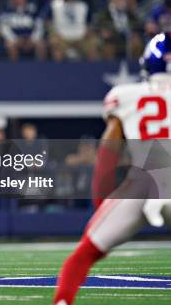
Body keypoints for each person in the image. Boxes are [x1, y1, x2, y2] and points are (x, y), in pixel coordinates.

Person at [53, 33, 171, 305]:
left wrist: (100, 200)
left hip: (144, 182)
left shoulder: (126, 96)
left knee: (82, 256)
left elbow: (109, 147)